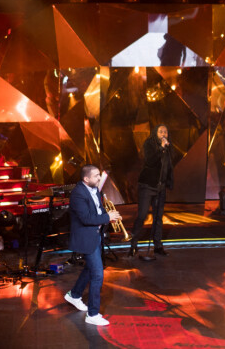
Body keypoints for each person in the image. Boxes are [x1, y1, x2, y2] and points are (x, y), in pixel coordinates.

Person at [64, 165, 121, 326]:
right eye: (96, 176)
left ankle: (74, 295)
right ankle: (93, 314)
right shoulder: (78, 194)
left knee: (90, 269)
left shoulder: (95, 189)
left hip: (95, 236)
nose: (99, 178)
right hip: (85, 237)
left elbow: (99, 209)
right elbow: (86, 218)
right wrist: (106, 218)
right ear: (86, 179)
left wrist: (109, 217)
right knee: (97, 274)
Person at [129, 124, 174, 257]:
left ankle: (158, 246)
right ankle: (133, 244)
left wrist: (169, 182)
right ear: (155, 133)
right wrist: (161, 148)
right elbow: (150, 161)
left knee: (158, 218)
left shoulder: (168, 148)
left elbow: (168, 166)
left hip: (160, 188)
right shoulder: (149, 144)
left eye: (166, 131)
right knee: (142, 215)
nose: (164, 134)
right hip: (147, 186)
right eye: (161, 131)